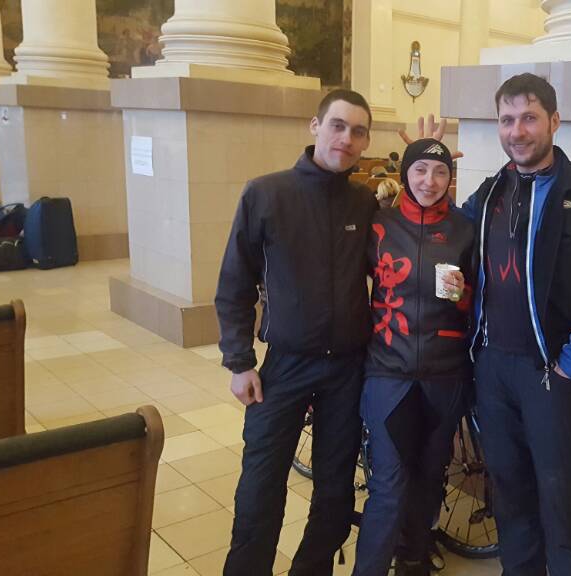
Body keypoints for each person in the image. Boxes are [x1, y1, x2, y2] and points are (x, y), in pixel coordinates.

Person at [458, 73, 571, 574]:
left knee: (563, 501)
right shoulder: (490, 192)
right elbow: (446, 236)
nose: (517, 131)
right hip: (492, 371)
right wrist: (424, 173)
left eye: (529, 118)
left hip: (552, 375)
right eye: (507, 119)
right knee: (510, 495)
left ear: (554, 121)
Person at [215, 88, 377, 575]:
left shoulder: (363, 204)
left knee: (335, 492)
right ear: (315, 126)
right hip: (284, 367)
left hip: (347, 370)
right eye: (338, 126)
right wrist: (239, 361)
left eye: (358, 131)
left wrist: (421, 165)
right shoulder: (266, 194)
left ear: (366, 142)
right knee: (260, 488)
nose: (346, 139)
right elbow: (234, 283)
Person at [351, 139, 473, 576]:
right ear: (405, 175)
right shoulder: (379, 225)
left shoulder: (465, 229)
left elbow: (481, 303)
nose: (429, 181)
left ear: (450, 179)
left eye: (439, 172)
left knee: (429, 476)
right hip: (389, 371)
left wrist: (463, 295)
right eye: (420, 170)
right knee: (388, 484)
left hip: (445, 374)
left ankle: (413, 560)